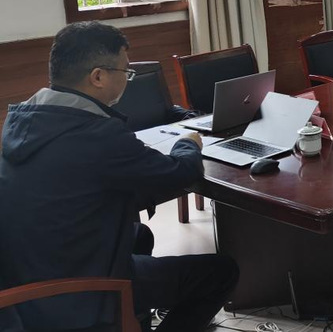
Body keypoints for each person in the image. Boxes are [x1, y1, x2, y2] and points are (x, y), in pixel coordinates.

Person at [0, 22, 238, 332]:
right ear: (97, 77)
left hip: (28, 278)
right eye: (125, 71)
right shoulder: (94, 133)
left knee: (140, 235)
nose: (128, 78)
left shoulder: (25, 119)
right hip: (75, 292)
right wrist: (188, 143)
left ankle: (134, 319)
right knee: (220, 272)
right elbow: (180, 173)